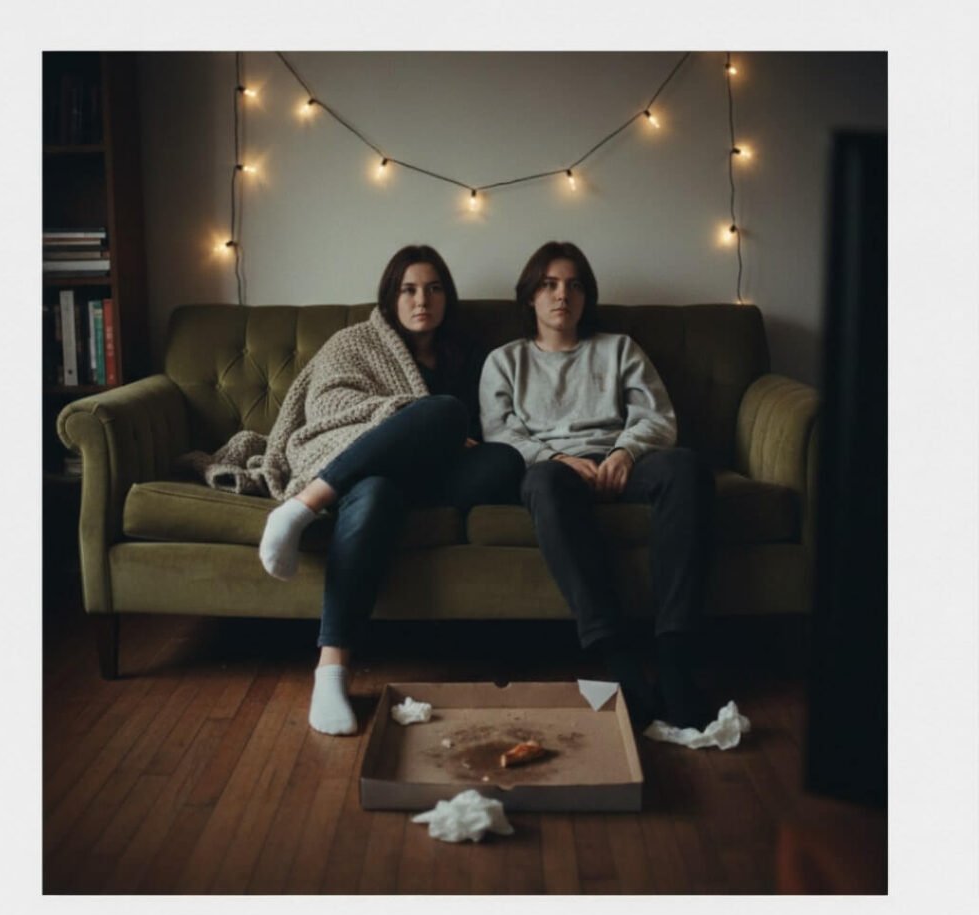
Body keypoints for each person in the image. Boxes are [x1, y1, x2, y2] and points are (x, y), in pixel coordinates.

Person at [183, 245, 524, 736]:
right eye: (408, 290)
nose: (421, 300)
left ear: (448, 297)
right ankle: (331, 666)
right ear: (390, 297)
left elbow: (485, 429)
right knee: (413, 447)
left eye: (433, 288)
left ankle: (325, 499)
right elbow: (327, 407)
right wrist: (413, 417)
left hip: (435, 477)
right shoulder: (356, 341)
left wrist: (439, 434)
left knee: (502, 458)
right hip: (362, 470)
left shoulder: (470, 355)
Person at [479, 241, 716, 733]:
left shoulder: (619, 348)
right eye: (548, 284)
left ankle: (674, 656)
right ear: (529, 296)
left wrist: (625, 452)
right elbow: (500, 433)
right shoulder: (504, 361)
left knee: (686, 467)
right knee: (543, 482)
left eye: (573, 285)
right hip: (555, 470)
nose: (561, 294)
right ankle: (620, 659)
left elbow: (657, 416)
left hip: (621, 462)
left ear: (587, 297)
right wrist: (555, 456)